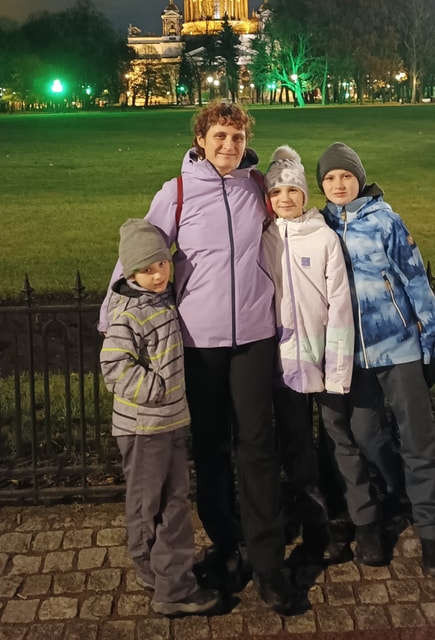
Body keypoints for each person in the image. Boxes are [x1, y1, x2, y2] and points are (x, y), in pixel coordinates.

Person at [107, 100, 297, 615]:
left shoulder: (255, 187)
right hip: (198, 341)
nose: (229, 145)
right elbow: (140, 251)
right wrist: (112, 315)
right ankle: (226, 542)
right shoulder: (177, 192)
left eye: (237, 137)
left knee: (258, 446)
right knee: (212, 449)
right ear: (201, 140)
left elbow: (294, 215)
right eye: (220, 136)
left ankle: (268, 561)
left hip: (254, 334)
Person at [315, 141, 435, 580]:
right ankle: (399, 490)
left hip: (399, 346)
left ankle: (433, 535)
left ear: (359, 179)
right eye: (330, 178)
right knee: (365, 434)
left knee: (419, 441)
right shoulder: (319, 226)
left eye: (346, 176)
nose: (339, 184)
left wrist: (432, 343)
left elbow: (416, 281)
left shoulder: (385, 221)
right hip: (351, 355)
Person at [98, 218, 221, 617]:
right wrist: (158, 389)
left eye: (162, 264)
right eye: (147, 269)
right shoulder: (130, 313)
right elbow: (114, 368)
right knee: (158, 503)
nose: (158, 274)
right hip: (144, 426)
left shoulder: (162, 300)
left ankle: (158, 570)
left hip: (168, 422)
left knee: (169, 501)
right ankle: (171, 585)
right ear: (130, 274)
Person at [262, 146, 355, 566]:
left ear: (304, 194)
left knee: (336, 439)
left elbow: (340, 308)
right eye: (276, 191)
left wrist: (337, 370)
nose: (284, 198)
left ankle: (342, 514)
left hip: (323, 357)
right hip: (284, 361)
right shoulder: (264, 239)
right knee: (295, 441)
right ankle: (312, 519)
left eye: (292, 190)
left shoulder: (324, 238)